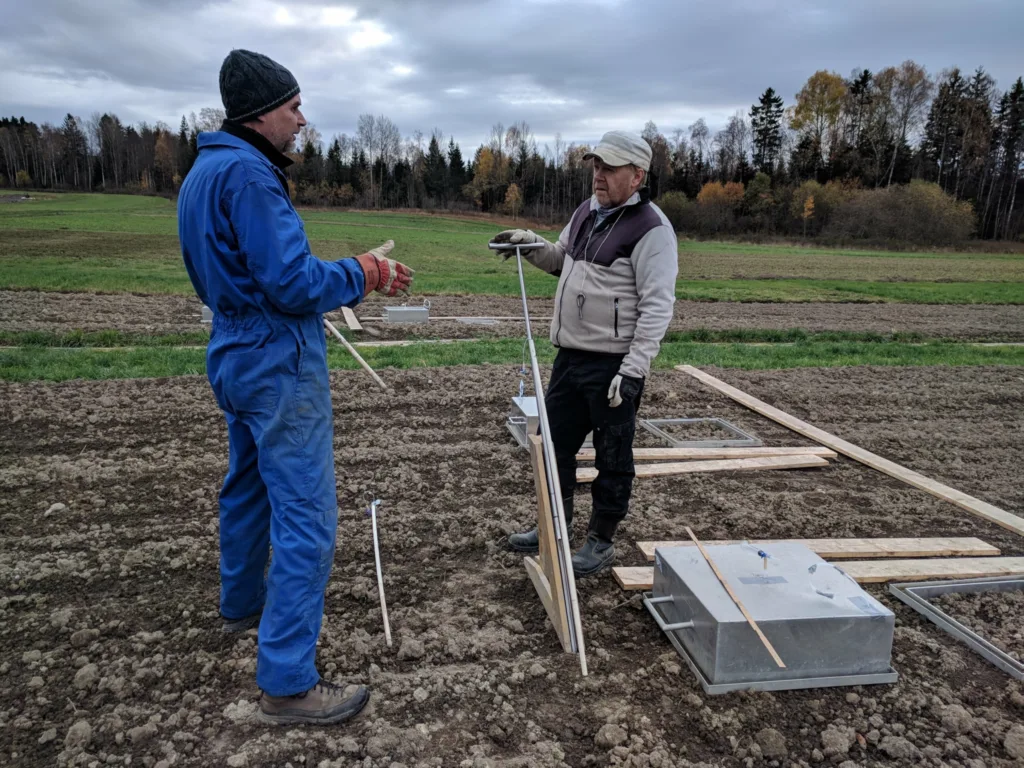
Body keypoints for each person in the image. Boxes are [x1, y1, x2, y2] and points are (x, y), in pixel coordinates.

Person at [177, 49, 413, 725]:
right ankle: (287, 683)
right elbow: (292, 284)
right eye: (293, 107)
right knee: (307, 517)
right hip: (277, 359)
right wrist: (364, 272)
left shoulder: (203, 172)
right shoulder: (250, 176)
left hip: (232, 351)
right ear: (260, 115)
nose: (302, 120)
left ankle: (241, 604)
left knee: (247, 486)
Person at [490, 130, 678, 576]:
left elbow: (657, 307)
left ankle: (600, 541)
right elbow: (560, 259)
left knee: (613, 457)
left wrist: (632, 371)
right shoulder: (585, 213)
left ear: (637, 176)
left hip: (613, 366)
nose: (599, 175)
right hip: (570, 359)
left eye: (609, 168)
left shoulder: (652, 230)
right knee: (552, 446)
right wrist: (528, 243)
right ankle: (554, 525)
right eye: (596, 166)